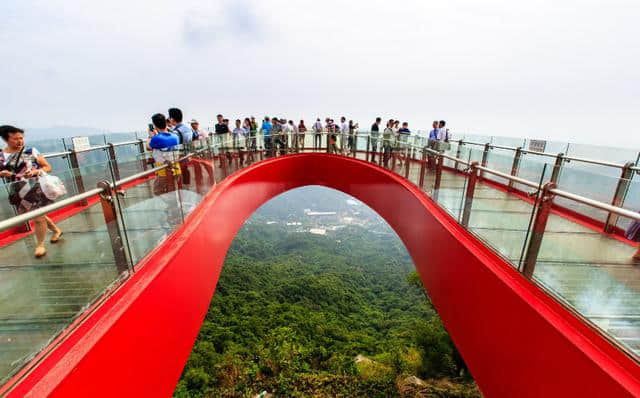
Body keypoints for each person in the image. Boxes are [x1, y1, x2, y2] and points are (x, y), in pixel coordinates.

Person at [0, 125, 63, 258]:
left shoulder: (30, 151)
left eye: (21, 138)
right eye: (16, 139)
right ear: (6, 139)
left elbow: (47, 167)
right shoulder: (1, 156)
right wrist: (3, 174)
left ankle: (40, 245)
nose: (20, 141)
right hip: (17, 190)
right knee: (36, 214)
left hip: (35, 188)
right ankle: (56, 230)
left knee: (38, 216)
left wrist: (35, 171)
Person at [146, 114, 182, 226]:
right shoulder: (174, 136)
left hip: (164, 171)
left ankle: (173, 208)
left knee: (157, 190)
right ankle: (174, 211)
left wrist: (151, 136)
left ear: (155, 125)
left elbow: (148, 147)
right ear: (166, 123)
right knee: (172, 191)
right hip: (176, 168)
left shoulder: (156, 139)